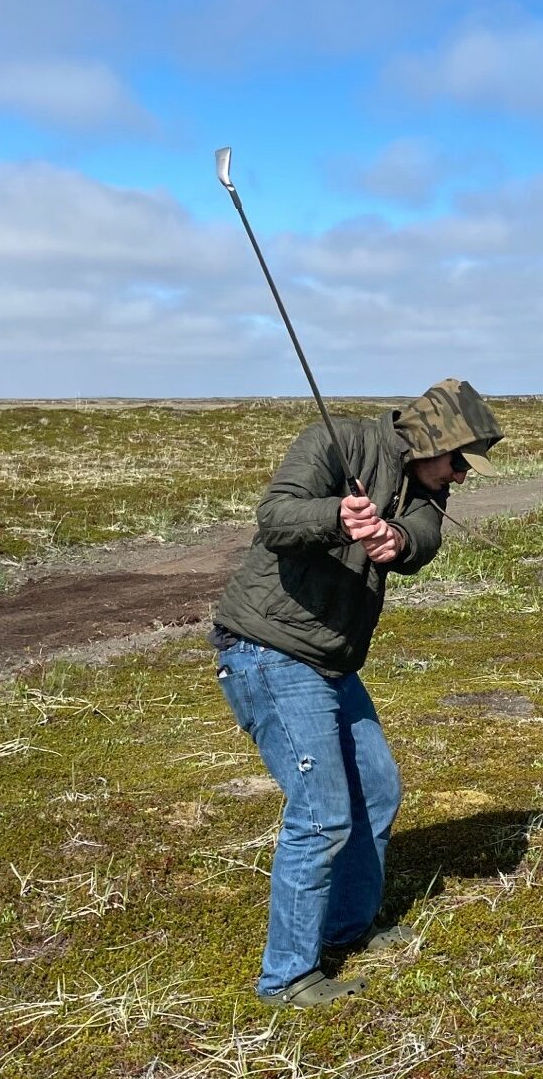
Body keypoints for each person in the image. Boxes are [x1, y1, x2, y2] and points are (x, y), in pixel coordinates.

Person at [211, 379, 504, 1008]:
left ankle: (347, 927)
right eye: (457, 460)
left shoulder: (426, 487)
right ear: (433, 440)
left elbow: (422, 538)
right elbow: (275, 517)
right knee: (321, 813)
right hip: (269, 649)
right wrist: (337, 517)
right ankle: (287, 977)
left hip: (333, 662)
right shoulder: (334, 441)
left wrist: (394, 540)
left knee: (376, 787)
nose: (460, 476)